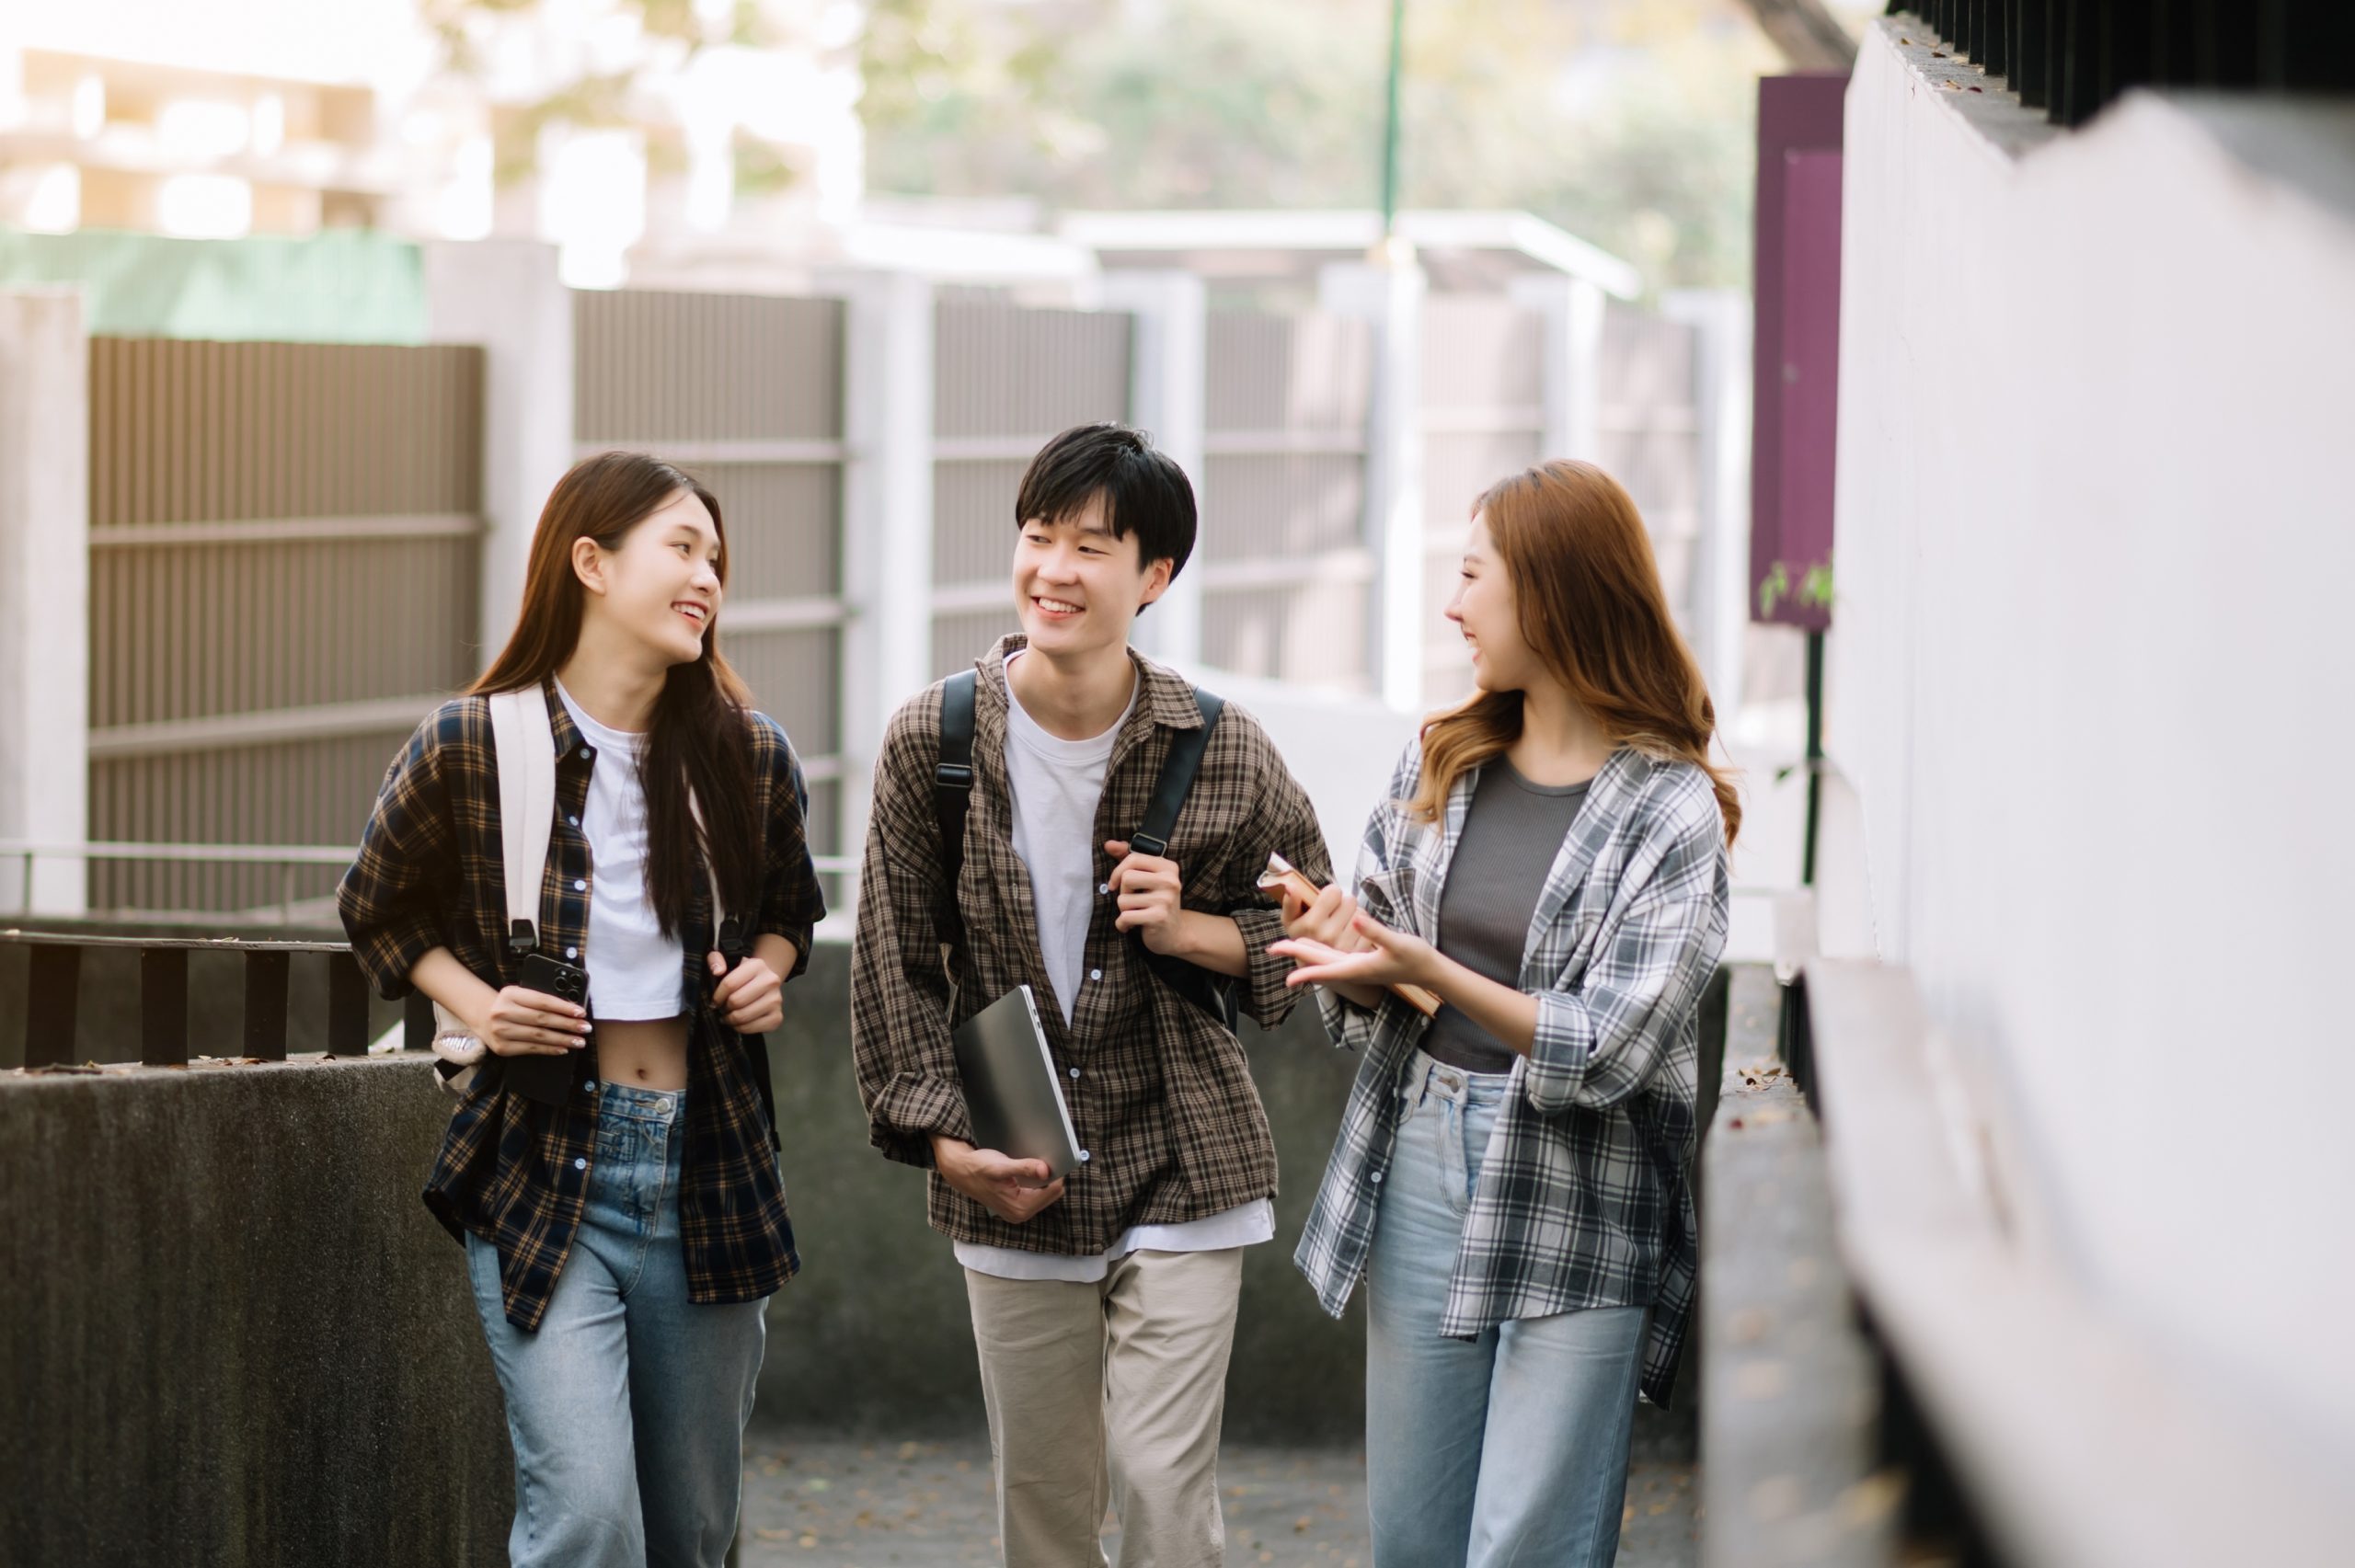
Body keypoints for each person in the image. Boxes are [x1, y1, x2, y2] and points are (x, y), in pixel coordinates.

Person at [850, 422, 1334, 1567]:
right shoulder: (938, 738)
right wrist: (942, 1142)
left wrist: (1194, 929)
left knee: (1167, 1498)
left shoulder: (1219, 745)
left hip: (1186, 1156)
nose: (1053, 569)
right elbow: (891, 962)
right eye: (1037, 536)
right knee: (1046, 1508)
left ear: (1154, 575)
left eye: (1090, 546)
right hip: (1015, 1164)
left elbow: (1321, 926)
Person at [337, 451, 826, 1568]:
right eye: (682, 548)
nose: (707, 576)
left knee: (690, 1532)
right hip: (543, 1163)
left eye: (716, 557)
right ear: (591, 560)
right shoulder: (473, 743)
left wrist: (764, 968)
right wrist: (478, 1006)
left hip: (708, 1161)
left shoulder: (745, 754)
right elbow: (377, 909)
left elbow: (792, 910)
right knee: (588, 1520)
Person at [1274, 459, 1734, 1568]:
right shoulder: (1444, 757)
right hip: (1422, 1148)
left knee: (1528, 1543)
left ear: (1556, 591)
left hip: (1582, 1188)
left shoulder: (1669, 810)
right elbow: (1392, 955)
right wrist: (1354, 949)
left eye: (1474, 574)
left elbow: (1610, 1041)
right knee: (1415, 1538)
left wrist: (1424, 961)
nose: (1453, 604)